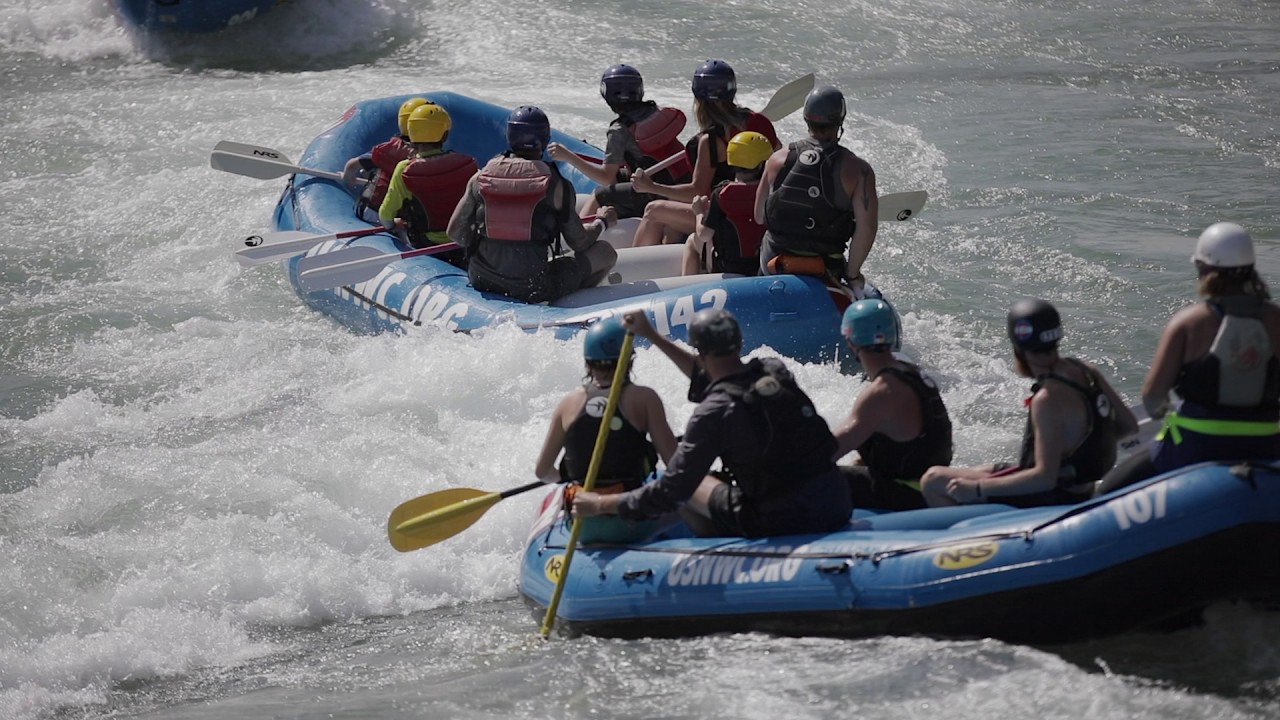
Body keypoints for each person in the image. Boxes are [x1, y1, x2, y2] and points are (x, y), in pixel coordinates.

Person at [572, 308, 853, 537]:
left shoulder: (713, 412)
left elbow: (672, 491)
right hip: (836, 502)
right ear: (738, 343)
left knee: (693, 484)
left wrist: (600, 504)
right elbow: (712, 375)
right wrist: (651, 336)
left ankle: (719, 549)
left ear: (699, 352)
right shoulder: (774, 371)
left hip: (782, 519)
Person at [1095, 222, 1280, 495]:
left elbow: (1153, 398)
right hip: (1265, 446)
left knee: (1106, 492)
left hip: (1196, 447)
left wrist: (1170, 417)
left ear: (1203, 269)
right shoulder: (1276, 319)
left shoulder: (1189, 323)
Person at [920, 299, 1138, 508]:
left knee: (933, 480)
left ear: (1018, 347)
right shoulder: (1086, 371)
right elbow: (1129, 426)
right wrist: (1081, 457)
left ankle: (973, 541)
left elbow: (1044, 478)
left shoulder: (1047, 400)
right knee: (977, 469)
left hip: (1055, 497)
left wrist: (977, 488)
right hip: (1079, 487)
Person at [446, 105, 620, 304]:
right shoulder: (556, 185)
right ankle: (569, 307)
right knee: (604, 252)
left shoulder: (479, 179)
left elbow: (456, 233)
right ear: (545, 139)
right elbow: (579, 242)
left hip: (482, 279)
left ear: (510, 136)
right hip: (533, 287)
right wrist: (601, 222)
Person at [534, 316, 678, 542]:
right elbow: (676, 467)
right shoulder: (644, 398)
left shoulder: (568, 403)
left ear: (588, 362)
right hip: (628, 519)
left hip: (583, 526)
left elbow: (542, 472)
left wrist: (566, 475)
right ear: (628, 358)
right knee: (685, 506)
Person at [629, 59, 781, 247]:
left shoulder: (708, 141)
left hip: (722, 216)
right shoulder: (760, 123)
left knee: (654, 210)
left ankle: (635, 272)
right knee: (671, 226)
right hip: (760, 211)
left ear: (698, 99)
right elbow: (779, 158)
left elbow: (698, 191)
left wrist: (652, 187)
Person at [833, 299, 953, 511]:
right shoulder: (912, 372)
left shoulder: (882, 391)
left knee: (819, 477)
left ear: (850, 339)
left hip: (911, 496)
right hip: (925, 484)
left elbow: (831, 449)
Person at [756, 86, 877, 295]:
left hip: (774, 266)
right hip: (824, 270)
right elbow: (866, 230)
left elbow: (759, 216)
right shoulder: (859, 171)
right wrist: (852, 274)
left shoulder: (777, 159)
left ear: (806, 119)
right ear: (840, 120)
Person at [547, 64, 693, 220]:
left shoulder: (619, 130)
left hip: (656, 190)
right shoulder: (655, 111)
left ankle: (580, 238)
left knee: (600, 194)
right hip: (678, 182)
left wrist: (568, 156)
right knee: (619, 176)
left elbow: (606, 178)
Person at [376, 103, 478, 258]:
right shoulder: (467, 163)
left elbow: (385, 217)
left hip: (426, 243)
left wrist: (393, 225)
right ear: (444, 136)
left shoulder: (404, 169)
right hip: (464, 241)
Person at [681, 131, 771, 276]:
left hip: (729, 267)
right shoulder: (773, 190)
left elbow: (704, 235)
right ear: (763, 163)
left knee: (692, 241)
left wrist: (699, 212)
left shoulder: (721, 194)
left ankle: (687, 292)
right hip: (763, 264)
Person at [343, 97, 426, 223]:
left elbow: (351, 166)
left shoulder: (389, 149)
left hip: (382, 209)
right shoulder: (399, 152)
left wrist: (348, 178)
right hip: (374, 213)